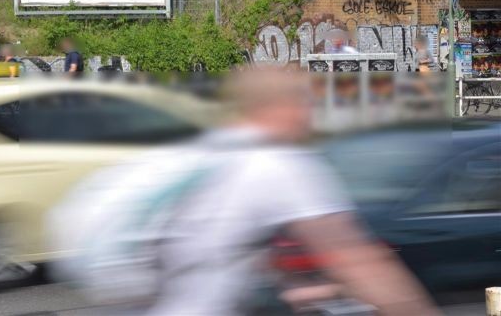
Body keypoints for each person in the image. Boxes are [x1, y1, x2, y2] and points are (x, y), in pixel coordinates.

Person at [137, 70, 438, 315]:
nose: (310, 117)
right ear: (283, 107)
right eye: (305, 104)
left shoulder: (195, 154)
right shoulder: (277, 162)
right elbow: (359, 263)